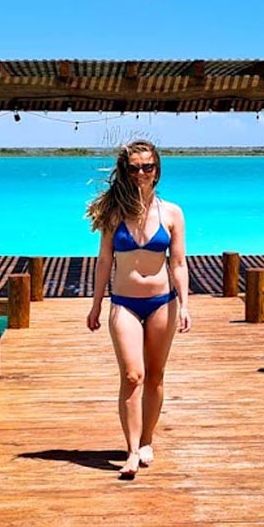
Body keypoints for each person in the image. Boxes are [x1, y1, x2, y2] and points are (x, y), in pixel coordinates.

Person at [85, 139, 192, 478]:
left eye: (147, 167)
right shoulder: (112, 212)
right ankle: (131, 451)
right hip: (124, 303)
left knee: (156, 375)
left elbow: (178, 263)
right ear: (125, 171)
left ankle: (147, 440)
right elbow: (104, 260)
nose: (141, 173)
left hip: (163, 302)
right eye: (134, 168)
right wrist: (96, 303)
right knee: (133, 375)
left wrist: (185, 303)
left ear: (157, 170)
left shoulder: (172, 212)